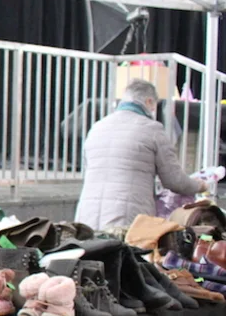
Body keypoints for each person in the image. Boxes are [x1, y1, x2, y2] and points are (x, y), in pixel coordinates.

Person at [75, 78, 207, 231]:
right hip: (127, 218)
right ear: (149, 101)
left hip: (87, 217)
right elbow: (174, 180)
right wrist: (199, 185)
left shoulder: (97, 128)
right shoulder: (152, 130)